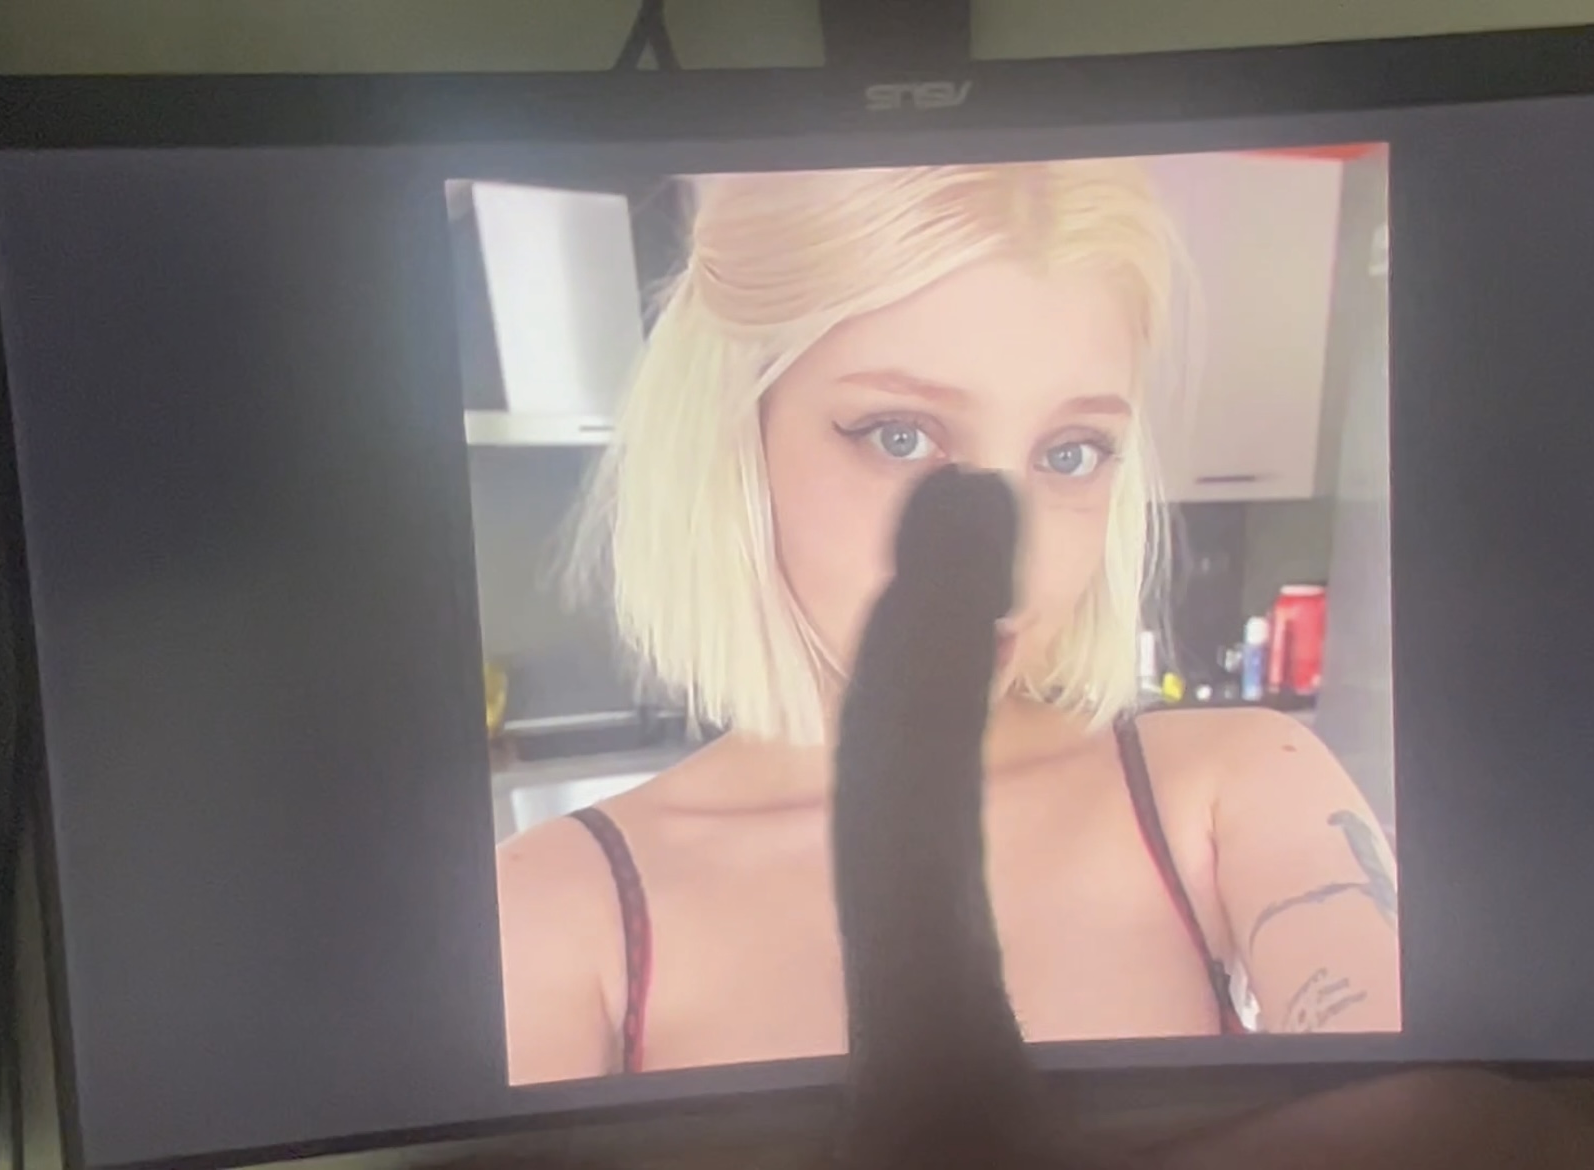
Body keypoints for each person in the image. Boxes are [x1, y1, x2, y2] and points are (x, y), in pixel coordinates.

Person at [496, 160, 1400, 1086]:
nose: (1006, 564)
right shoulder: (554, 912)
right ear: (735, 436)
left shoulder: (1234, 789)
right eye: (900, 436)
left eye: (1071, 453)